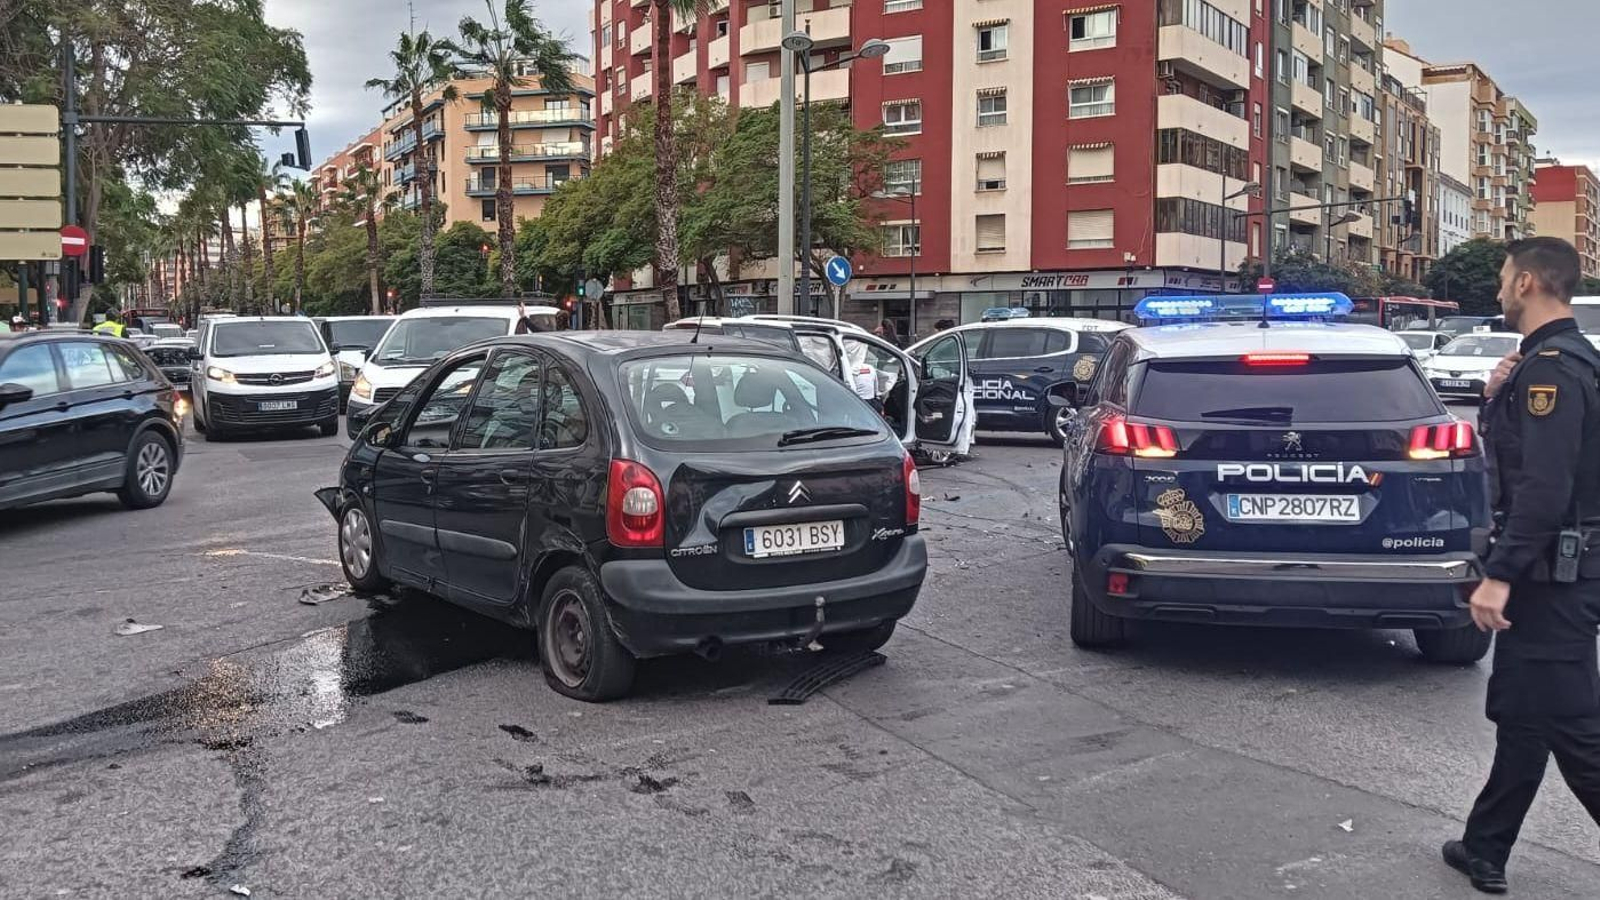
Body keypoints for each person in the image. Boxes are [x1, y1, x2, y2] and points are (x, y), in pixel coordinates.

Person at [1445, 237, 1600, 895]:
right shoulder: (1558, 361)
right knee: (1521, 713)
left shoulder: (1552, 371)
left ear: (1530, 282)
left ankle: (1485, 845)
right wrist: (1491, 401)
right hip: (1554, 571)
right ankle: (1486, 847)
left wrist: (1499, 574)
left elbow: (1543, 487)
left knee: (1578, 735)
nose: (1499, 289)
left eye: (1506, 278)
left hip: (1552, 579)